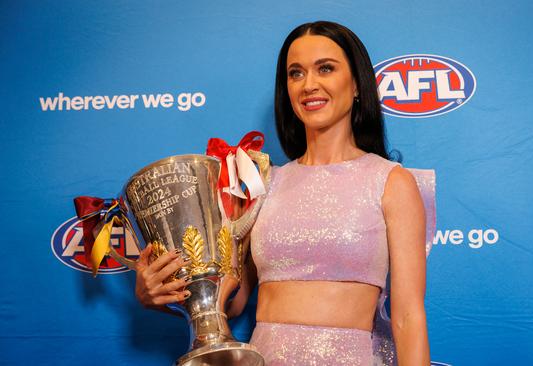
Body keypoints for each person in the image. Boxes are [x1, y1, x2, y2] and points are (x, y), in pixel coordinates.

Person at [134, 21, 432, 365]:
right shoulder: (260, 183)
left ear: (357, 85)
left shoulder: (391, 182)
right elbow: (230, 304)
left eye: (326, 68)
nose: (309, 85)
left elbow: (408, 318)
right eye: (295, 73)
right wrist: (163, 294)